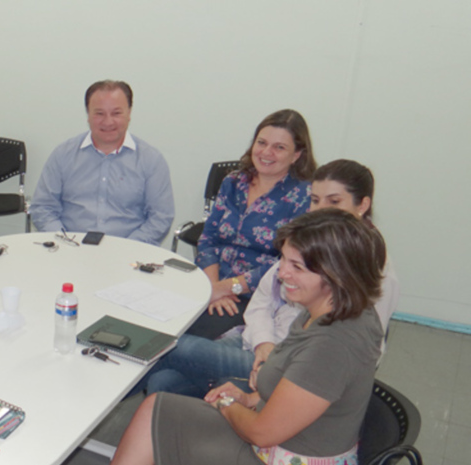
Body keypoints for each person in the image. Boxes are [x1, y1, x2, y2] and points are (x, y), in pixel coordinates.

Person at [35, 209, 385, 465]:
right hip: (284, 451)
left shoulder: (331, 346)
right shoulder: (329, 311)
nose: (282, 273)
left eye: (296, 266)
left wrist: (230, 403)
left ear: (336, 274)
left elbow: (262, 432)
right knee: (156, 413)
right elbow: (300, 397)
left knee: (156, 442)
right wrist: (249, 398)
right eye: (283, 259)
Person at [142, 159, 399, 398]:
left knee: (177, 347)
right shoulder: (310, 239)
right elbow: (263, 298)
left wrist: (273, 366)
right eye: (315, 200)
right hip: (260, 341)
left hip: (291, 365)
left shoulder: (372, 267)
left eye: (334, 201)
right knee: (162, 382)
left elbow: (362, 351)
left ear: (362, 205)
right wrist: (263, 342)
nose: (320, 210)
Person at [187, 109, 315, 339]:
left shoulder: (305, 197)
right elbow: (208, 238)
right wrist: (214, 287)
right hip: (211, 282)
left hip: (257, 296)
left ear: (296, 155)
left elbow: (284, 264)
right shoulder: (233, 182)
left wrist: (227, 288)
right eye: (261, 143)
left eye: (279, 147)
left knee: (188, 339)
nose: (266, 152)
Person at [29, 80, 174, 244]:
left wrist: (127, 248)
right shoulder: (63, 155)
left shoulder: (151, 160)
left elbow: (160, 218)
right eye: (99, 113)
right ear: (88, 115)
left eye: (116, 113)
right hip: (69, 247)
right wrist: (64, 241)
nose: (108, 122)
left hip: (130, 251)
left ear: (129, 114)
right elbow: (43, 207)